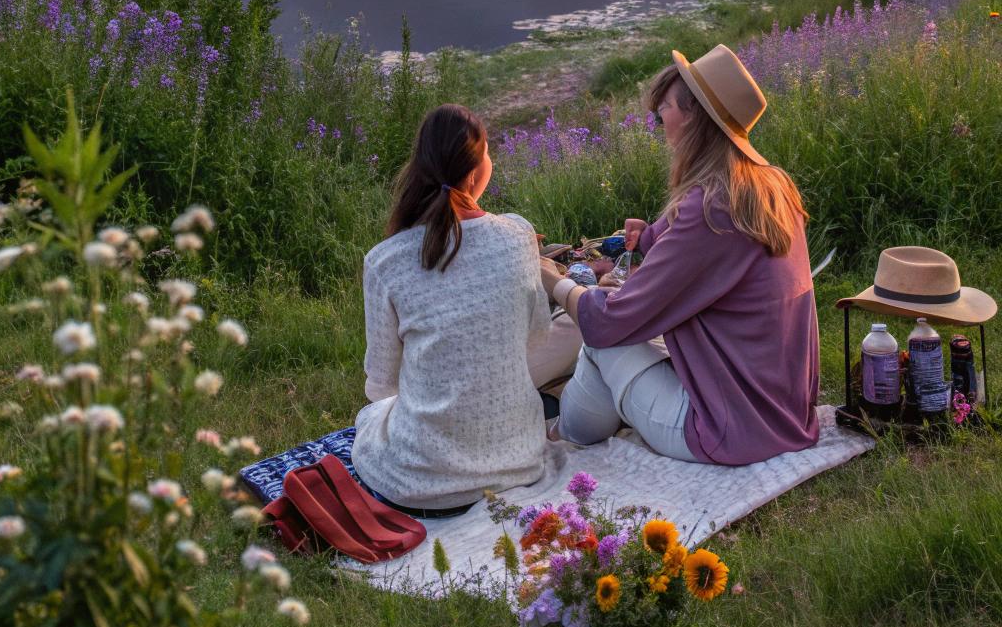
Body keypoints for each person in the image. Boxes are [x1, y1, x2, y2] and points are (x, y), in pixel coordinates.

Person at [539, 45, 820, 465]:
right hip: (784, 414)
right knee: (612, 337)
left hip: (728, 429)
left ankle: (558, 439)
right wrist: (649, 237)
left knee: (602, 342)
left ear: (694, 118)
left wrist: (551, 279)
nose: (658, 120)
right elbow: (707, 258)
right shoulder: (769, 187)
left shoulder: (712, 209)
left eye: (664, 109)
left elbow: (607, 323)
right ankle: (571, 429)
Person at [351, 103, 578, 512]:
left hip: (420, 480)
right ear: (476, 171)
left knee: (371, 419)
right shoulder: (519, 236)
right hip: (519, 463)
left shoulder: (385, 260)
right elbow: (536, 334)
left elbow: (381, 386)